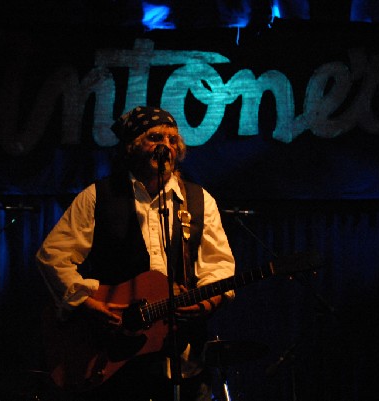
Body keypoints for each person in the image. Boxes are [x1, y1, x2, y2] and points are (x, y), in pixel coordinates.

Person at [36, 105, 235, 401]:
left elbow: (219, 265)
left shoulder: (198, 200)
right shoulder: (99, 196)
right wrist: (87, 302)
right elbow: (53, 255)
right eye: (155, 137)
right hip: (118, 356)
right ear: (132, 146)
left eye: (171, 139)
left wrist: (208, 301)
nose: (165, 145)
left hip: (183, 358)